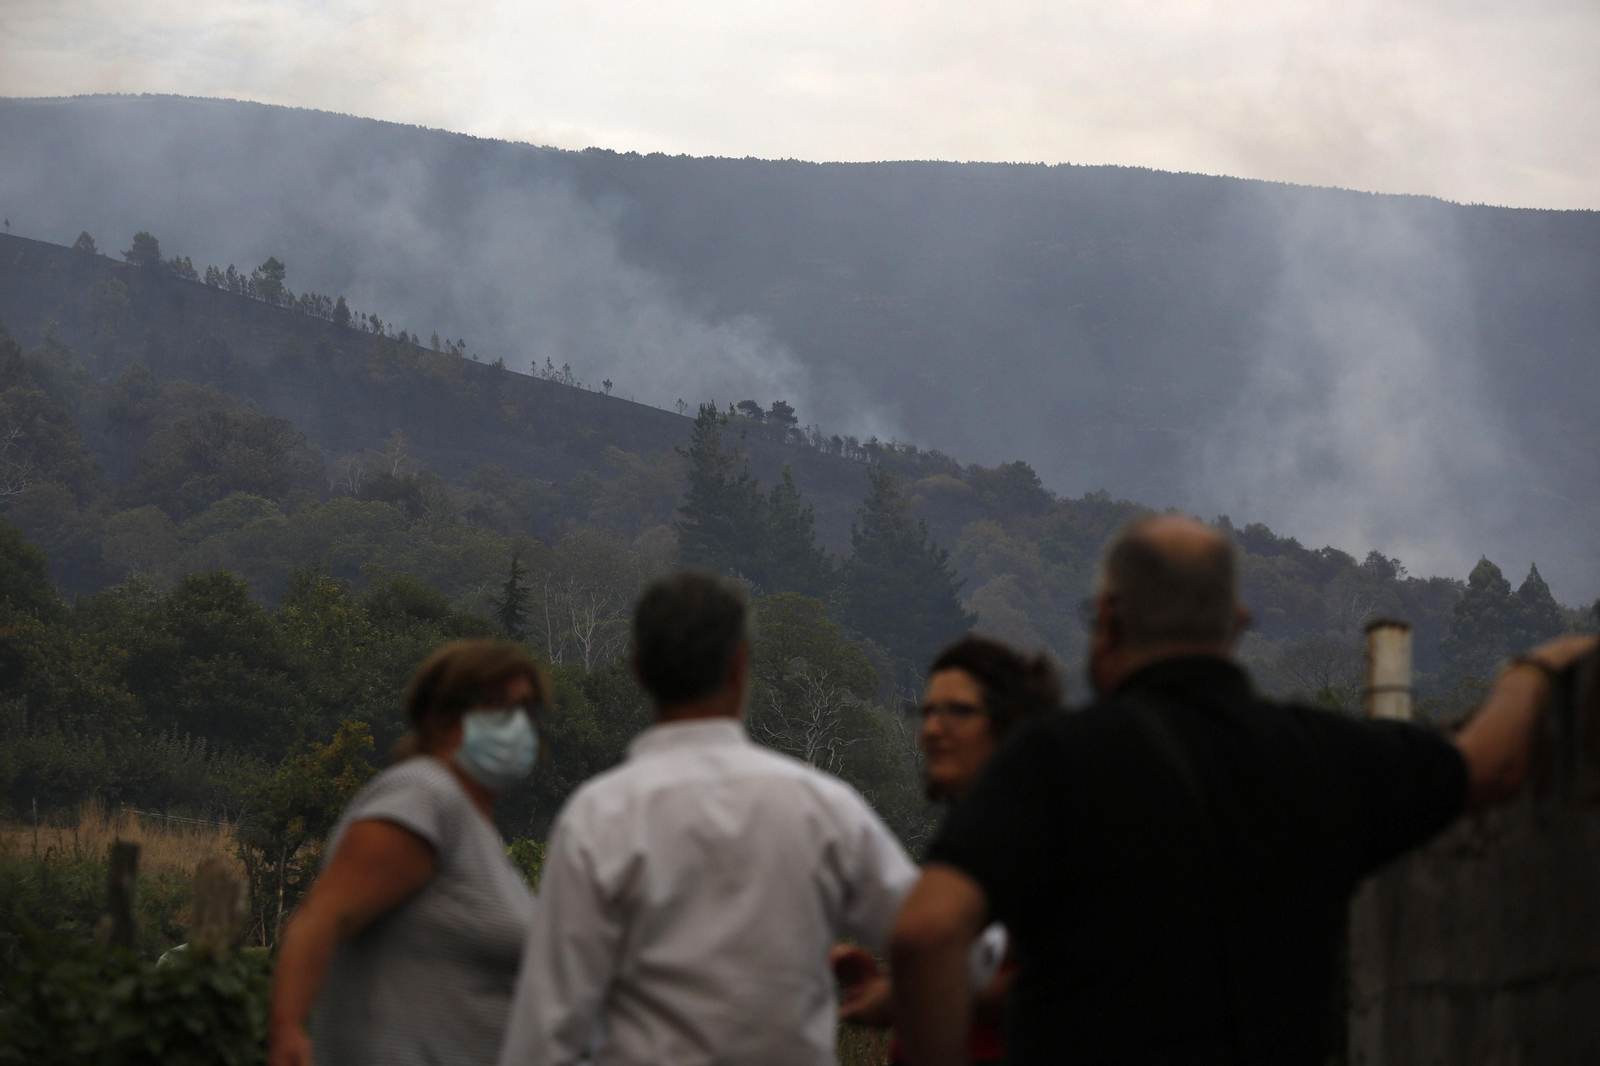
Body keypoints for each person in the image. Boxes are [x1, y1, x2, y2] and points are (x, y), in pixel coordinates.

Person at [889, 514, 1599, 1066]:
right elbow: (1490, 765)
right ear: (1236, 625)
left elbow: (926, 932)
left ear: (1108, 621)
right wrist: (1531, 674)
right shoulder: (1324, 755)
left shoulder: (1053, 759)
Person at [497, 571, 918, 1066]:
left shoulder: (598, 816)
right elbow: (942, 937)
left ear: (638, 671)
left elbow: (547, 1026)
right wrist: (899, 995)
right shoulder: (822, 807)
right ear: (740, 663)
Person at [269, 640, 549, 1066]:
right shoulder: (425, 796)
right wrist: (287, 1030)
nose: (515, 722)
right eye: (496, 703)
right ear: (440, 717)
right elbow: (323, 916)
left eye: (526, 709)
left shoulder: (473, 824)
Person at [831, 635, 1061, 1063]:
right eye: (928, 711)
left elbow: (1069, 983)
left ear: (1010, 724)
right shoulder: (973, 837)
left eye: (958, 711)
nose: (933, 728)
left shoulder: (1048, 836)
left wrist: (912, 993)